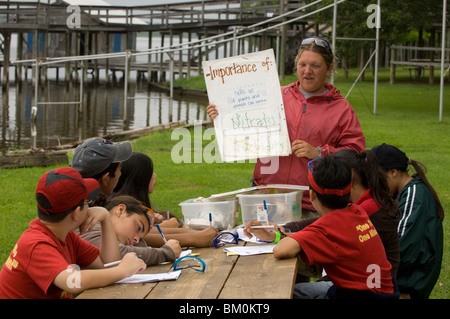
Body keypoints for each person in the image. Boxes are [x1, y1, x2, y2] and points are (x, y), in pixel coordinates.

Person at [207, 36, 365, 214]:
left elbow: (355, 155)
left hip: (313, 203)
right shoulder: (274, 95)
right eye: (302, 64)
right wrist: (222, 117)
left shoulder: (341, 108)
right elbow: (246, 127)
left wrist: (319, 153)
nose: (307, 71)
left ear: (329, 69)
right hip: (266, 196)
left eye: (315, 66)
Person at [0, 167, 146, 299]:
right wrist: (123, 271)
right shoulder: (36, 244)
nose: (89, 208)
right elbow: (72, 281)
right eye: (86, 203)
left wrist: (106, 218)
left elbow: (108, 264)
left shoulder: (64, 235)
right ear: (76, 214)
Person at [271, 156, 398, 299]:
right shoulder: (357, 211)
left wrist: (278, 236)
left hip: (361, 295)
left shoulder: (326, 229)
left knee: (282, 293)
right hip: (382, 292)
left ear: (312, 195)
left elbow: (280, 250)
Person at [372, 143, 444, 299]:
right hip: (405, 279)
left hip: (409, 283)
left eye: (377, 178)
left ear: (393, 172)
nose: (375, 185)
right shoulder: (405, 193)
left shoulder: (414, 194)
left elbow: (402, 245)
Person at [111, 152, 219, 248]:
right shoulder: (121, 208)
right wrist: (193, 237)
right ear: (139, 178)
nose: (154, 175)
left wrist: (193, 233)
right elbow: (145, 238)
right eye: (150, 172)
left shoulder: (126, 206)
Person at [78, 195, 182, 265]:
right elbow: (120, 255)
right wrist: (166, 252)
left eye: (141, 237)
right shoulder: (91, 225)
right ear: (120, 210)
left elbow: (141, 247)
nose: (136, 240)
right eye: (138, 227)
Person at [70, 137, 133, 206]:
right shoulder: (108, 214)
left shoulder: (69, 204)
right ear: (105, 179)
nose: (120, 174)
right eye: (119, 170)